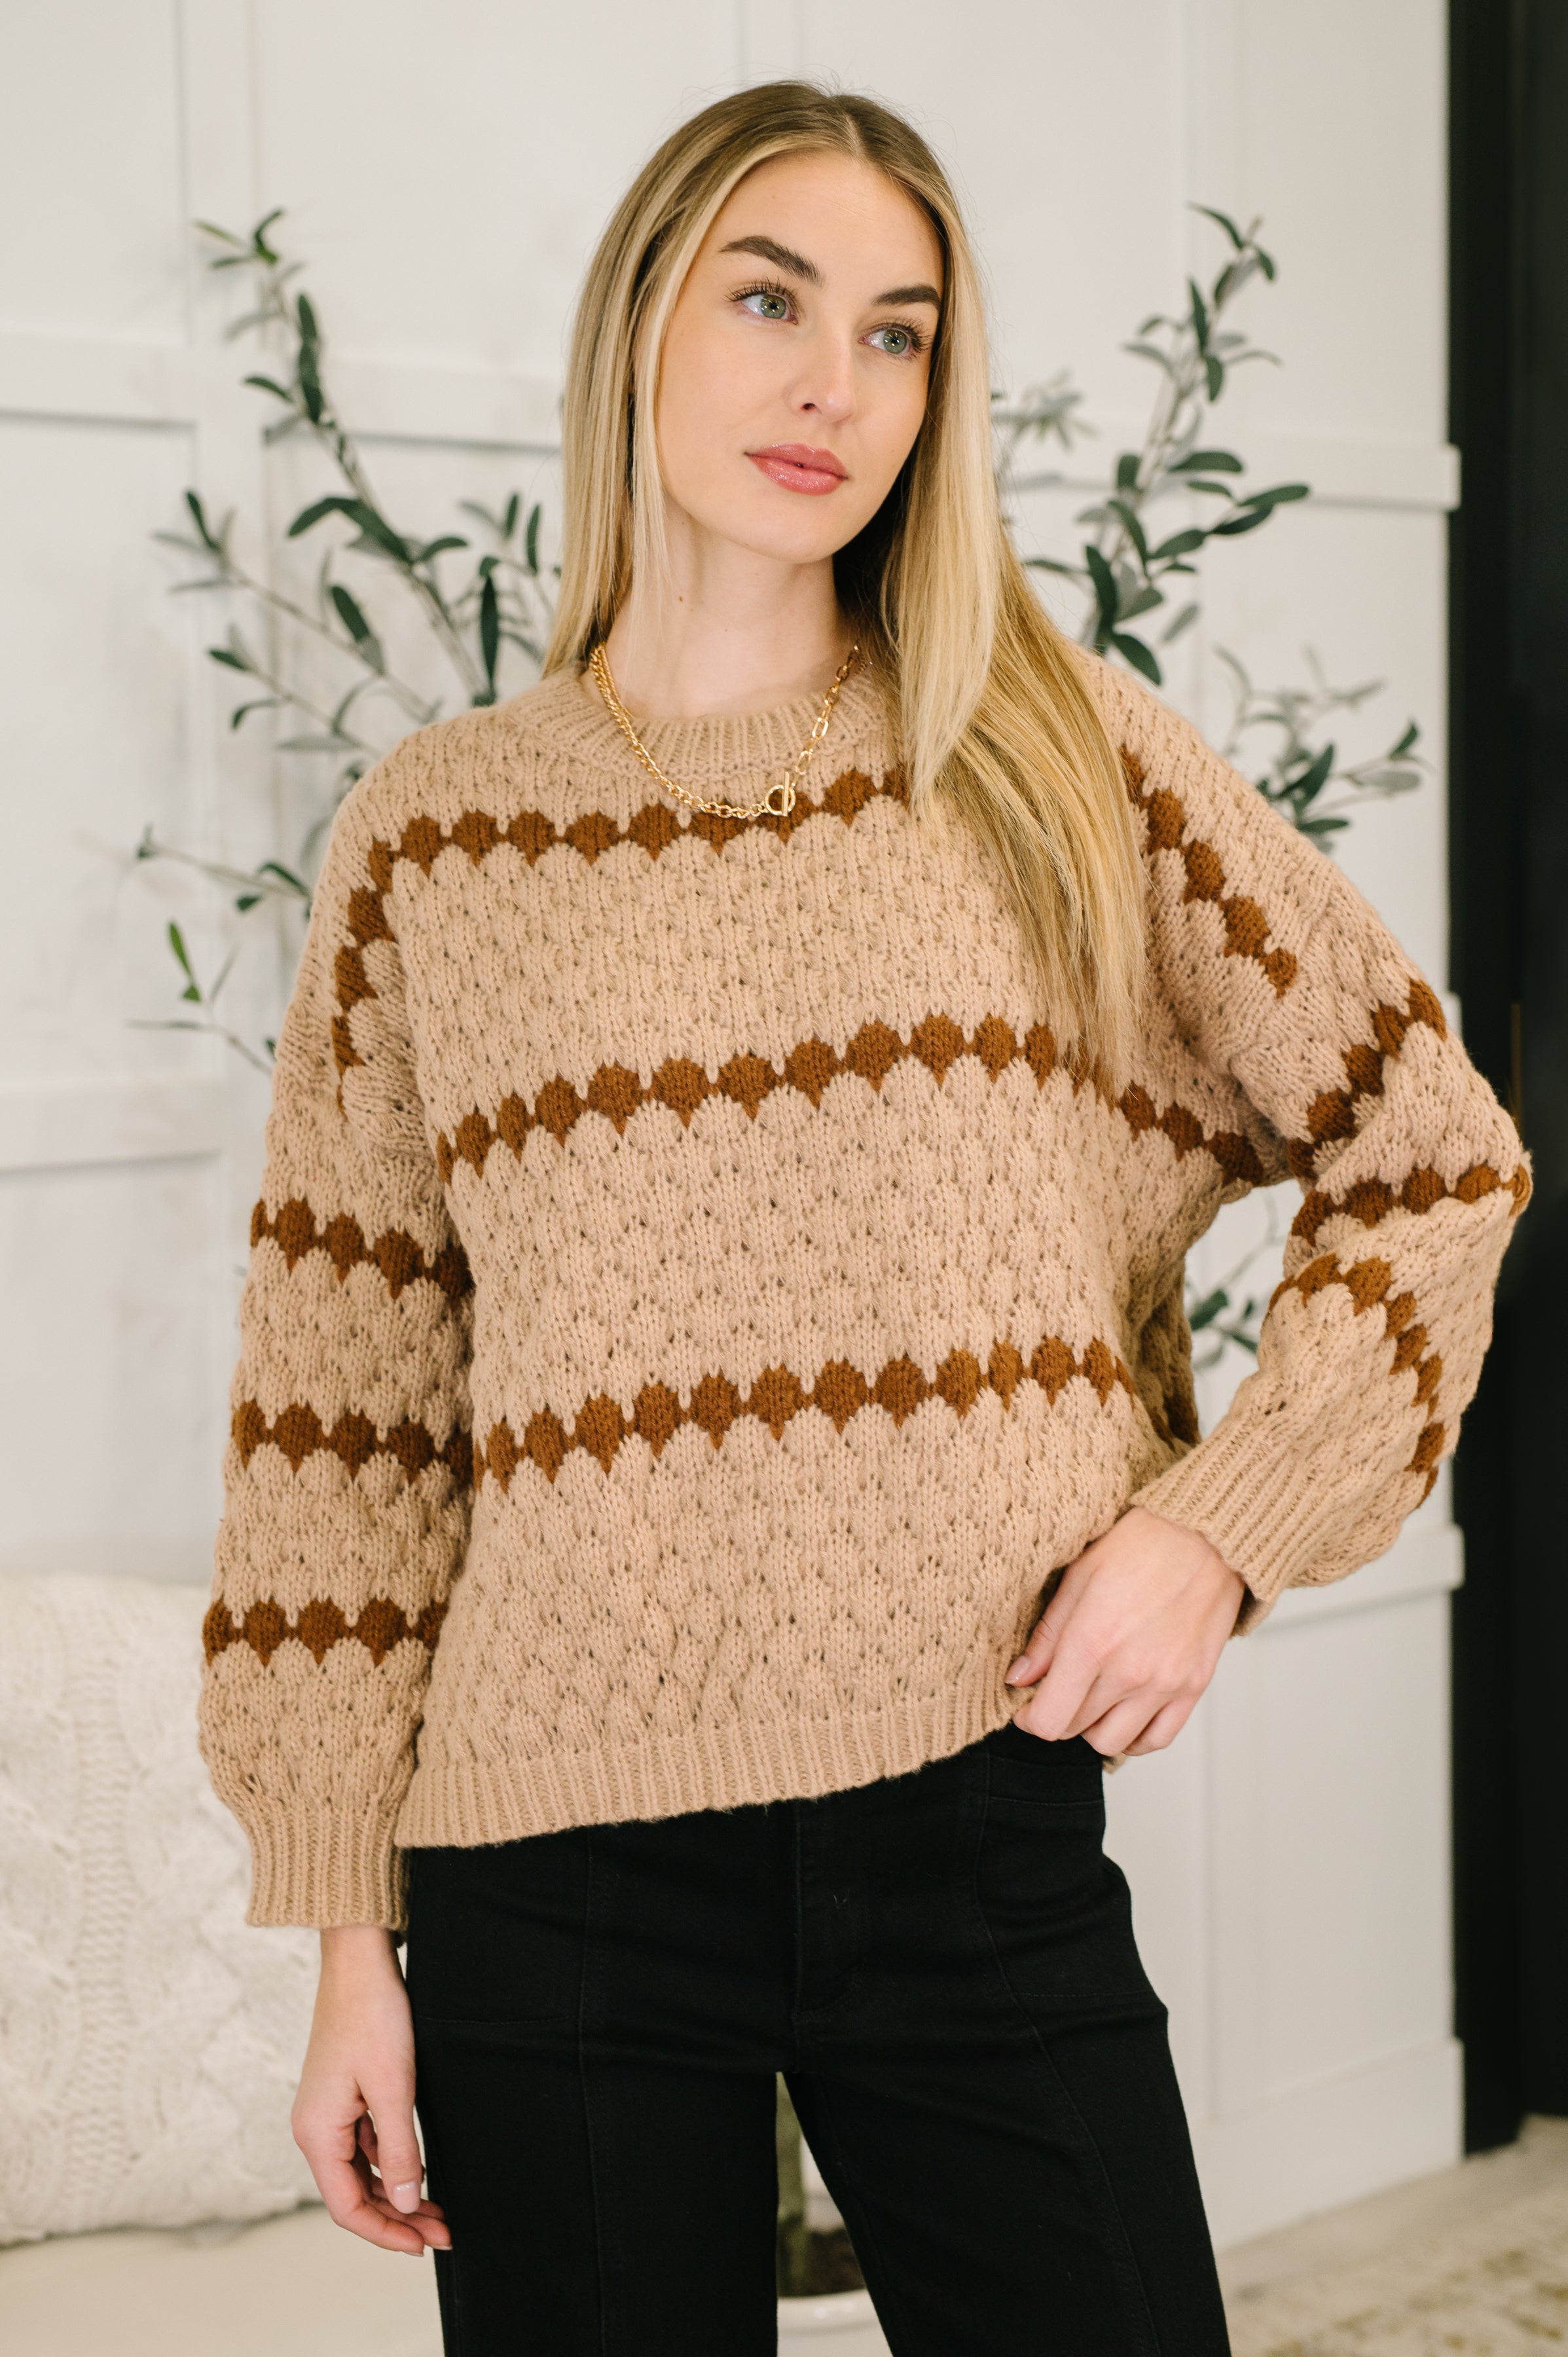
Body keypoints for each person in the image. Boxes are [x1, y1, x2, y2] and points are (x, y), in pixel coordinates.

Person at [198, 80, 1527, 2357]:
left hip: (967, 1823)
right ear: (639, 325)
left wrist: (1211, 1533)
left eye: (898, 334)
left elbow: (1432, 1150)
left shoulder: (1049, 757)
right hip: (552, 1879)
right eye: (770, 301)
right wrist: (345, 1939)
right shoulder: (435, 841)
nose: (835, 383)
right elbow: (347, 1419)